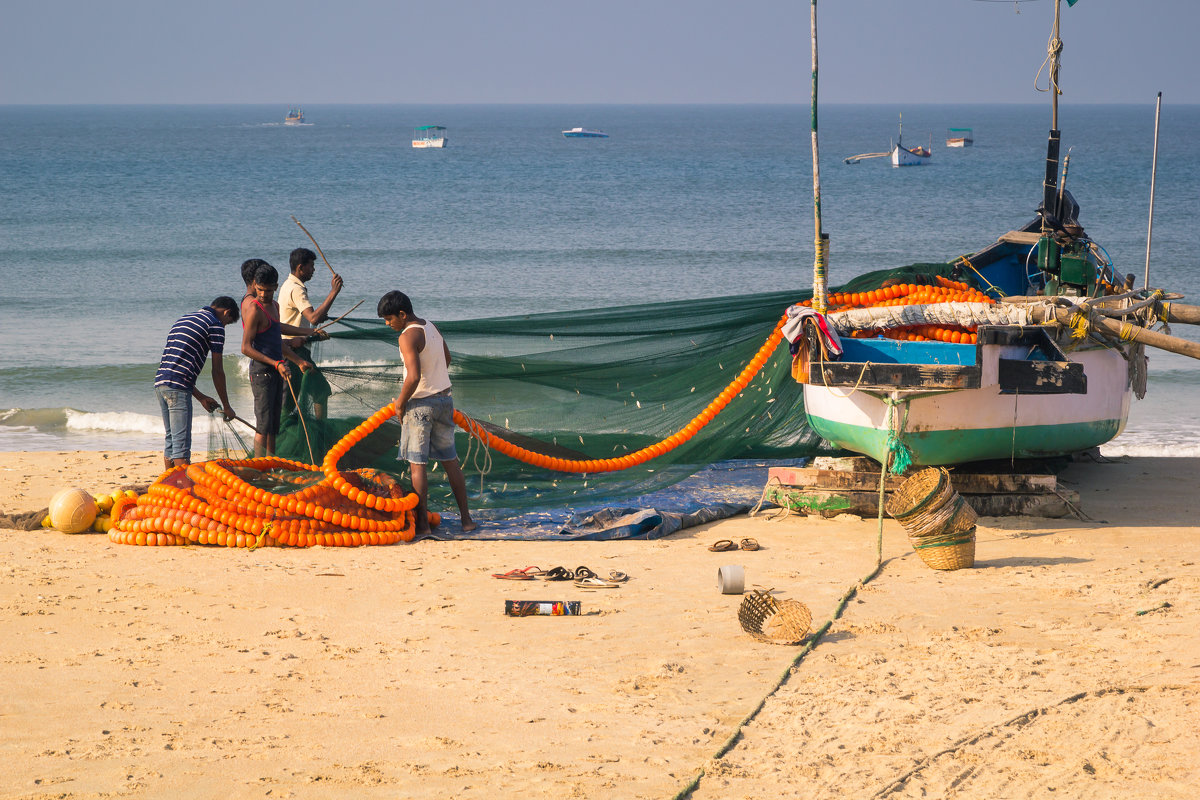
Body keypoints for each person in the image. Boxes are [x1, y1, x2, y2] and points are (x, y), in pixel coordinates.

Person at [377, 290, 475, 534]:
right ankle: (466, 520)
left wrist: (400, 403)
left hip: (420, 406)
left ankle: (422, 526)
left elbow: (413, 376)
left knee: (417, 465)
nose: (388, 324)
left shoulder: (407, 336)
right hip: (444, 400)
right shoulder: (431, 327)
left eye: (390, 319)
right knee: (450, 462)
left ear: (402, 314)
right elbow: (447, 358)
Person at [240, 260, 326, 457]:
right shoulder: (254, 309)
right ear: (255, 286)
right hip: (262, 371)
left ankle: (271, 464)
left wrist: (310, 333)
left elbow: (277, 334)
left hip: (277, 370)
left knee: (273, 425)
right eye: (260, 290)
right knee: (263, 426)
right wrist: (275, 363)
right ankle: (260, 467)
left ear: (276, 288)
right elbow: (245, 347)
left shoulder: (275, 306)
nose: (263, 295)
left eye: (268, 291)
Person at [153, 297, 239, 470]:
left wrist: (201, 398)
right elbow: (217, 371)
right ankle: (182, 489)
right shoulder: (215, 325)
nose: (224, 327)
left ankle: (170, 490)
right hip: (177, 387)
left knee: (171, 440)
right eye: (227, 323)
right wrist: (227, 406)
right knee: (181, 446)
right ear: (227, 312)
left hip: (161, 383)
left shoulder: (183, 319)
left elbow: (177, 368)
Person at [278, 247, 342, 419]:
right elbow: (314, 317)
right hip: (292, 351)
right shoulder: (296, 289)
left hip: (293, 349)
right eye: (311, 266)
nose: (313, 270)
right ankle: (319, 433)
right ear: (300, 268)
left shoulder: (288, 285)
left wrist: (318, 321)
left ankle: (317, 432)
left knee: (318, 391)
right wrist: (334, 292)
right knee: (294, 400)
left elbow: (310, 317)